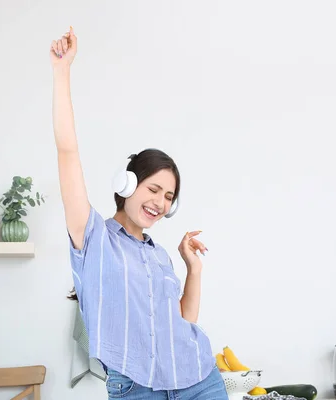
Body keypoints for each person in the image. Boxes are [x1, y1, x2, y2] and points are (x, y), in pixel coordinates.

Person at [50, 27, 228, 400]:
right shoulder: (92, 236)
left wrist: (192, 269)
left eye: (169, 197)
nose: (160, 203)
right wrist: (62, 72)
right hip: (135, 388)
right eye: (153, 189)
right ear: (127, 185)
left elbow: (183, 322)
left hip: (198, 378)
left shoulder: (158, 256)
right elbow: (68, 151)